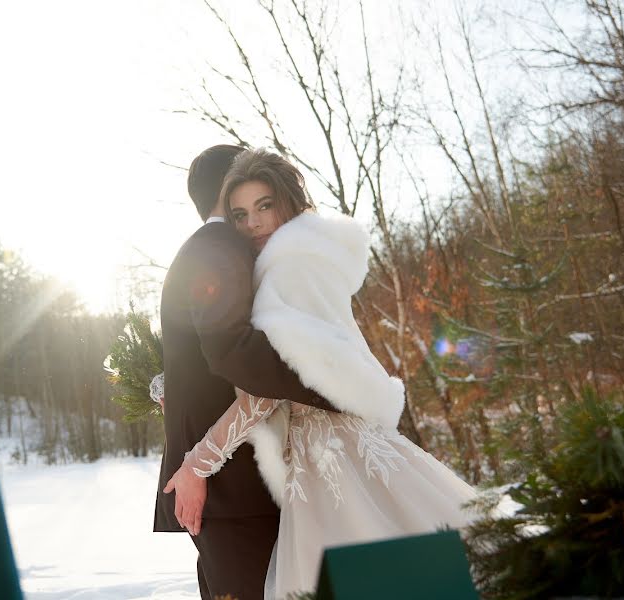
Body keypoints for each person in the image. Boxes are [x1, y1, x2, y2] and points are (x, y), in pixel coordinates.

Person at [164, 149, 478, 599]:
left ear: (288, 202)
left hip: (331, 452)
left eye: (264, 206)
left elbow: (269, 387)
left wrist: (200, 460)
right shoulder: (301, 261)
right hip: (324, 448)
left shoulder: (288, 271)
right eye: (240, 213)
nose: (252, 223)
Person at [153, 144, 339, 600]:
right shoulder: (221, 248)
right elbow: (231, 352)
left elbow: (195, 359)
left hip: (225, 486)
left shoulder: (204, 249)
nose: (252, 218)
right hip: (231, 485)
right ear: (228, 187)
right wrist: (329, 379)